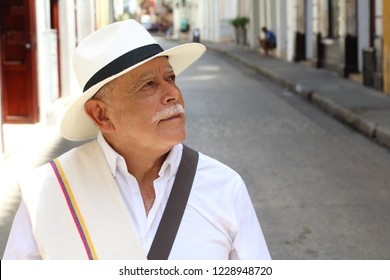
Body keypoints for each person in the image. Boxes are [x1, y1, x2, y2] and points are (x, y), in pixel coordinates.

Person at [3, 19, 270, 260]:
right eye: (148, 85)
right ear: (101, 115)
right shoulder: (47, 193)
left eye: (170, 78)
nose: (172, 94)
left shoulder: (225, 187)